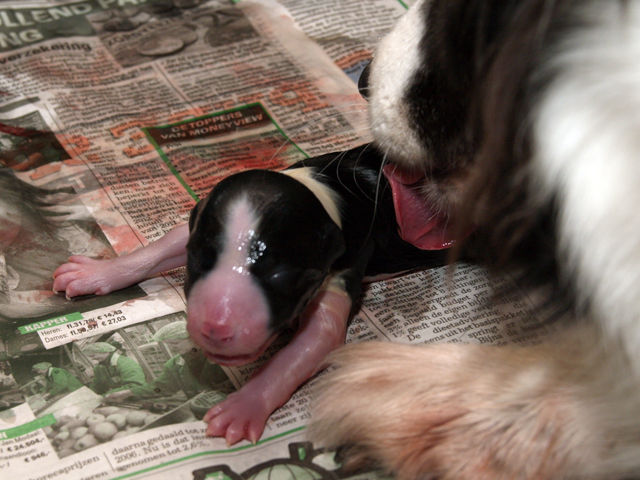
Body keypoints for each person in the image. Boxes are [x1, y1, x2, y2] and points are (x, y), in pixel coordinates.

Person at [106, 321, 231, 401]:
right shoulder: (174, 364)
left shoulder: (220, 353)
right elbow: (160, 387)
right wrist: (128, 392)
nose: (171, 348)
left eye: (175, 343)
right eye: (168, 344)